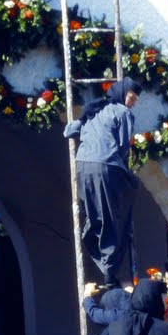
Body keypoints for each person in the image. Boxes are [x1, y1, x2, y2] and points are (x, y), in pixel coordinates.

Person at [63, 77, 143, 288]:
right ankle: (110, 271)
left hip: (82, 166)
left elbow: (68, 131)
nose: (133, 102)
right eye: (131, 97)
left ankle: (105, 264)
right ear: (122, 93)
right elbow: (124, 147)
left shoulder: (95, 110)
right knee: (116, 215)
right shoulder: (122, 112)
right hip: (105, 166)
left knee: (95, 215)